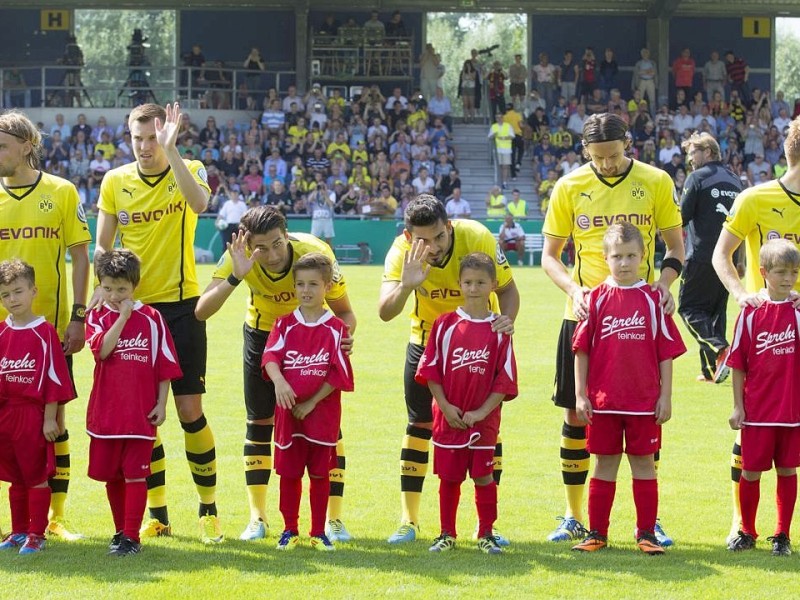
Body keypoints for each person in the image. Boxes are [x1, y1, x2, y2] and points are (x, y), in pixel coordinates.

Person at [541, 112, 684, 545]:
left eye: (614, 155)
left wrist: (661, 285)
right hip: (584, 315)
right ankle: (573, 514)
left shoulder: (656, 181)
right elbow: (551, 255)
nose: (605, 164)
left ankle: (649, 523)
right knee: (576, 413)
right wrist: (574, 289)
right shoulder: (569, 186)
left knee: (644, 414)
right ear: (586, 151)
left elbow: (676, 246)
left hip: (640, 315)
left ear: (628, 143)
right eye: (597, 157)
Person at [93, 102, 222, 544]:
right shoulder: (115, 181)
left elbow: (200, 202)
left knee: (189, 411)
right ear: (128, 137)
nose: (145, 147)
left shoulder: (191, 169)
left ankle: (209, 510)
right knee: (143, 418)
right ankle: (159, 515)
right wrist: (103, 295)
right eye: (138, 139)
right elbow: (103, 248)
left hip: (183, 307)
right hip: (136, 313)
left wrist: (173, 151)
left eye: (153, 138)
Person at [195, 206, 357, 543]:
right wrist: (237, 274)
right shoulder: (240, 256)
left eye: (277, 244)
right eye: (261, 248)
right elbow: (201, 310)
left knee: (327, 429)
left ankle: (334, 520)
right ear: (248, 243)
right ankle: (258, 518)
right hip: (263, 337)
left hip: (311, 337)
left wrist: (342, 342)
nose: (270, 255)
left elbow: (345, 313)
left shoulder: (315, 254)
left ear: (287, 234)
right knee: (259, 424)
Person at [379, 194, 519, 545]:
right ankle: (409, 520)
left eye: (439, 236)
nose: (434, 246)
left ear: (449, 226)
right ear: (410, 237)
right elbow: (384, 311)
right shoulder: (401, 252)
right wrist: (406, 285)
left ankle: (486, 526)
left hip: (480, 346)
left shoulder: (478, 237)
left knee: (484, 426)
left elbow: (508, 290)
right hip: (429, 342)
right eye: (423, 240)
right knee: (419, 425)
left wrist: (502, 328)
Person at [0, 110, 91, 541]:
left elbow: (80, 257)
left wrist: (78, 317)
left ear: (26, 146)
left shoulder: (62, 191)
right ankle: (19, 522)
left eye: (2, 145)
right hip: (2, 336)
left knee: (52, 424)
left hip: (48, 334)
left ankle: (54, 517)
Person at [570, 223, 686, 554]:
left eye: (631, 256)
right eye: (617, 256)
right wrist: (580, 395)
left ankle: (647, 534)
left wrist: (665, 396)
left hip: (644, 402)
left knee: (644, 465)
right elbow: (582, 350)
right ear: (605, 258)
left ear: (643, 256)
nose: (624, 263)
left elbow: (665, 352)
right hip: (603, 402)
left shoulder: (653, 299)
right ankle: (597, 534)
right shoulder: (593, 299)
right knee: (604, 465)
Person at [712, 116, 800, 546]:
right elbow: (721, 255)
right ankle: (742, 525)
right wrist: (741, 294)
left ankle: (779, 532)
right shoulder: (754, 198)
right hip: (762, 328)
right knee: (749, 437)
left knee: (787, 456)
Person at [415, 252, 518, 555]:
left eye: (481, 282)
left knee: (484, 476)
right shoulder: (445, 324)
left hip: (483, 421)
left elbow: (505, 379)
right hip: (448, 418)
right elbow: (431, 371)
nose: (474, 288)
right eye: (468, 282)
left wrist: (481, 412)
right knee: (449, 478)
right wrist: (445, 406)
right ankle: (447, 533)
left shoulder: (500, 329)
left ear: (493, 285)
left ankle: (486, 533)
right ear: (460, 283)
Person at [86, 250, 182, 557]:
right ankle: (119, 532)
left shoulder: (153, 319)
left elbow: (165, 366)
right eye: (109, 288)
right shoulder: (97, 315)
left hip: (141, 413)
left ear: (135, 286)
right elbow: (102, 351)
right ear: (101, 285)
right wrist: (122, 316)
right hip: (106, 411)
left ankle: (131, 537)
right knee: (111, 475)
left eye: (122, 289)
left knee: (136, 474)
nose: (115, 295)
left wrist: (162, 404)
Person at [262, 253, 354, 551]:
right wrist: (279, 381)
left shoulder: (337, 328)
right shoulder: (284, 324)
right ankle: (289, 530)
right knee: (289, 474)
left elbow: (339, 373)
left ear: (327, 287)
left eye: (313, 284)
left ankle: (317, 531)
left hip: (321, 416)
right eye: (300, 284)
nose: (306, 290)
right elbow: (270, 358)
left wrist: (312, 402)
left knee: (319, 473)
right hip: (289, 415)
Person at [724, 239, 800, 556]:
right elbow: (738, 363)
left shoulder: (798, 313)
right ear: (763, 272)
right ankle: (747, 531)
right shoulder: (751, 314)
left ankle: (782, 535)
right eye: (781, 271)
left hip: (792, 411)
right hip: (756, 411)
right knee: (750, 471)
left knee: (787, 470)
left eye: (794, 272)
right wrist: (738, 407)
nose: (787, 278)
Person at [0, 260, 75, 554]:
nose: (12, 299)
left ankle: (36, 533)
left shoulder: (44, 332)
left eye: (18, 291)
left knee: (36, 476)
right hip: (5, 415)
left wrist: (49, 419)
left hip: (32, 415)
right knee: (15, 476)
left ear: (34, 291)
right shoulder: (2, 332)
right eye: (5, 295)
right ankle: (18, 531)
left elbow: (55, 379)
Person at [678, 132, 742, 383]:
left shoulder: (698, 178)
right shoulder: (735, 180)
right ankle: (711, 371)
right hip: (727, 258)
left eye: (692, 153)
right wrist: (740, 260)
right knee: (715, 313)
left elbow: (681, 218)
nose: (689, 159)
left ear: (707, 152)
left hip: (701, 256)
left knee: (689, 308)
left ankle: (720, 350)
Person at [488, 113, 514, 189]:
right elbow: (489, 136)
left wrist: (503, 138)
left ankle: (504, 182)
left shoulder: (508, 126)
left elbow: (512, 136)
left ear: (503, 118)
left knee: (505, 166)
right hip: (497, 149)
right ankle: (497, 182)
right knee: (498, 166)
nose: (499, 119)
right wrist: (494, 135)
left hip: (506, 149)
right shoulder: (494, 126)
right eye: (497, 117)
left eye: (500, 117)